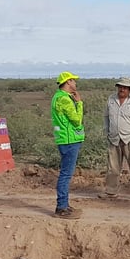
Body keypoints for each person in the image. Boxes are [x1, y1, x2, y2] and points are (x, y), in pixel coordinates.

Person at [99, 77, 130, 199]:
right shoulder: (111, 99)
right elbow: (106, 117)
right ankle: (111, 191)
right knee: (113, 167)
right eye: (120, 86)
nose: (122, 89)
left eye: (125, 87)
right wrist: (107, 132)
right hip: (114, 138)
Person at [51, 71, 85, 219]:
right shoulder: (64, 99)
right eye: (74, 81)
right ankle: (61, 207)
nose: (75, 83)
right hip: (69, 141)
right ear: (68, 82)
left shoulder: (58, 97)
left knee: (65, 173)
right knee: (66, 174)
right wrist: (79, 103)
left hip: (65, 140)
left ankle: (64, 204)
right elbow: (77, 120)